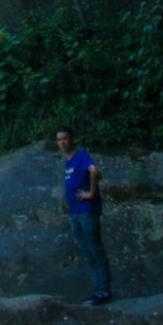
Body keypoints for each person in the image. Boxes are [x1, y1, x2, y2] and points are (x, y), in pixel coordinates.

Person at [56, 126, 111, 305]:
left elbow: (94, 170)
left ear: (72, 140)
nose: (62, 142)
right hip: (75, 212)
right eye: (59, 140)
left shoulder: (80, 156)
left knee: (95, 249)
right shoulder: (69, 162)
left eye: (65, 139)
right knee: (88, 252)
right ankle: (98, 290)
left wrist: (91, 192)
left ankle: (103, 291)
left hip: (86, 210)